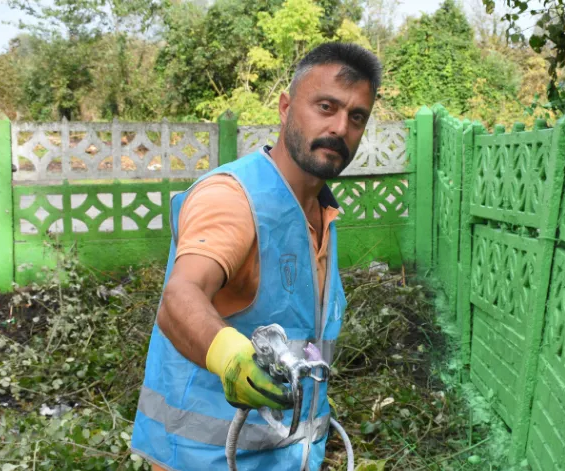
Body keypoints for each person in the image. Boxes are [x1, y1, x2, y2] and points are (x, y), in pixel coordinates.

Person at [130, 42, 382, 470]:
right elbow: (180, 297)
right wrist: (231, 357)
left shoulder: (321, 210)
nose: (341, 127)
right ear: (285, 108)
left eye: (356, 116)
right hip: (206, 460)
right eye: (326, 106)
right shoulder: (235, 198)